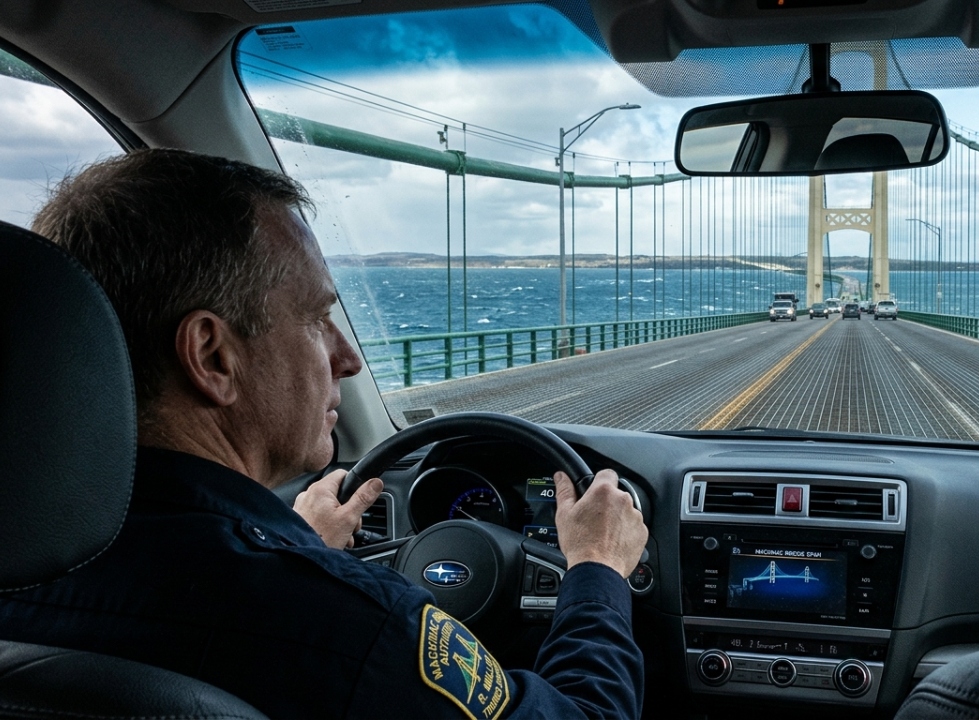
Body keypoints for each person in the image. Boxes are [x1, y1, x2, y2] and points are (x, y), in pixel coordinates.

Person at [0, 149, 649, 719]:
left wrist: (301, 547)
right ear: (213, 356)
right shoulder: (350, 628)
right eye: (316, 319)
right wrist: (597, 570)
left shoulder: (25, 568)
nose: (349, 357)